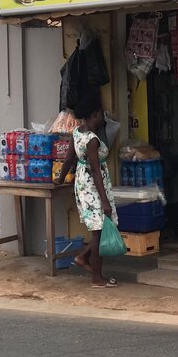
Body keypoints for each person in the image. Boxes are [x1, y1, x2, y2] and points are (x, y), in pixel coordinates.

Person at [54, 94, 119, 288]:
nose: (103, 118)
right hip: (93, 187)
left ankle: (82, 257)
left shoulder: (77, 132)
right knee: (98, 233)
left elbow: (68, 159)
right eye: (101, 114)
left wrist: (60, 179)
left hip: (83, 184)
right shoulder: (92, 140)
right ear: (95, 114)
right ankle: (97, 278)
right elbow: (96, 171)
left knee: (99, 229)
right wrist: (105, 201)